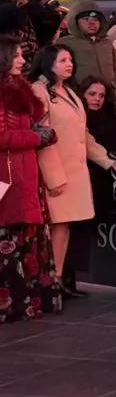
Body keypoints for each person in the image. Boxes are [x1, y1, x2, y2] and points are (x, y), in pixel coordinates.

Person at [31, 43, 116, 297]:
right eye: (62, 60)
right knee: (54, 229)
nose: (69, 64)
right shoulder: (38, 91)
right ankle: (50, 283)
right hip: (55, 172)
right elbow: (41, 138)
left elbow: (83, 135)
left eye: (70, 59)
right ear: (48, 63)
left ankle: (58, 282)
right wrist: (53, 176)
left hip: (74, 172)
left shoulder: (68, 91)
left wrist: (108, 161)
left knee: (64, 228)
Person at [0, 38, 59, 322]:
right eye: (17, 55)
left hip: (24, 175)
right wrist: (36, 136)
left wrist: (40, 131)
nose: (23, 60)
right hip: (7, 178)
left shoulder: (19, 90)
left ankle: (25, 303)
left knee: (24, 240)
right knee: (9, 240)